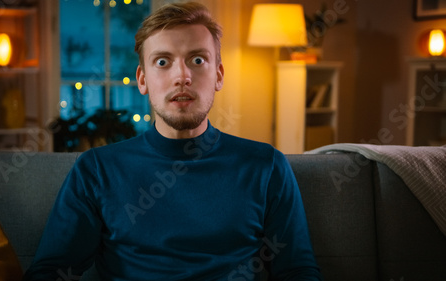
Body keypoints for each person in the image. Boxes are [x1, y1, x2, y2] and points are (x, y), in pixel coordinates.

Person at [23, 2, 322, 280]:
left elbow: (298, 270)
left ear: (218, 75)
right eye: (163, 61)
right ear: (142, 80)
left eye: (197, 59)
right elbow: (51, 272)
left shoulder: (265, 166)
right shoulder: (97, 170)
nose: (182, 76)